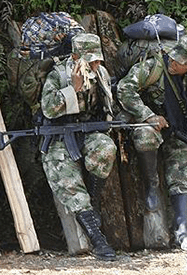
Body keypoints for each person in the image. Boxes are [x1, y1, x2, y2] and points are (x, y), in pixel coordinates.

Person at [117, 33, 187, 253]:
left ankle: (183, 234)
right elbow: (124, 89)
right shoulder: (154, 67)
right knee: (146, 136)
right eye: (173, 58)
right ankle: (152, 186)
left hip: (178, 130)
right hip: (151, 124)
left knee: (183, 168)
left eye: (179, 62)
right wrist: (147, 114)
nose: (173, 63)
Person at [39, 33, 117, 260]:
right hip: (58, 136)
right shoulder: (59, 75)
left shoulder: (101, 73)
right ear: (75, 56)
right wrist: (73, 89)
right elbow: (49, 109)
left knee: (106, 149)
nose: (96, 64)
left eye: (97, 60)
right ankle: (98, 239)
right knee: (69, 184)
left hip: (88, 132)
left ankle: (93, 203)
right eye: (90, 60)